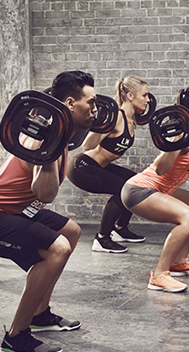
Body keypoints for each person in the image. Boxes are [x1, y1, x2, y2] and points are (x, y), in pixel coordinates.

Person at [0, 71, 97, 352]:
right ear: (70, 103)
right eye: (90, 103)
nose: (94, 110)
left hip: (10, 211)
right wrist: (47, 155)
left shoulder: (61, 137)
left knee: (70, 231)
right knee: (57, 249)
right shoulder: (42, 141)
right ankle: (16, 337)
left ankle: (40, 313)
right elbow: (44, 194)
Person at [121, 81, 189, 292]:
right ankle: (159, 275)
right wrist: (172, 144)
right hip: (139, 190)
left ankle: (179, 261)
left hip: (162, 189)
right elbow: (160, 169)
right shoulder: (182, 134)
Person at [67, 76, 149, 253]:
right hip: (82, 167)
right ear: (130, 95)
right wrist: (99, 126)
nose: (148, 100)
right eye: (145, 95)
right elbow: (87, 145)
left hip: (97, 167)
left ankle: (120, 229)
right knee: (123, 189)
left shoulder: (131, 121)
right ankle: (102, 238)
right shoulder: (115, 118)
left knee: (136, 183)